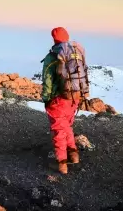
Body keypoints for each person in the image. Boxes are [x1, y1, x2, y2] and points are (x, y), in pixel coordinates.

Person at [41, 27, 89, 174]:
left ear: (54, 39)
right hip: (75, 97)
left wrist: (46, 99)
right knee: (67, 126)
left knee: (58, 129)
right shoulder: (76, 53)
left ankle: (61, 164)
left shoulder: (53, 56)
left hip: (59, 98)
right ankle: (73, 155)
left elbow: (48, 80)